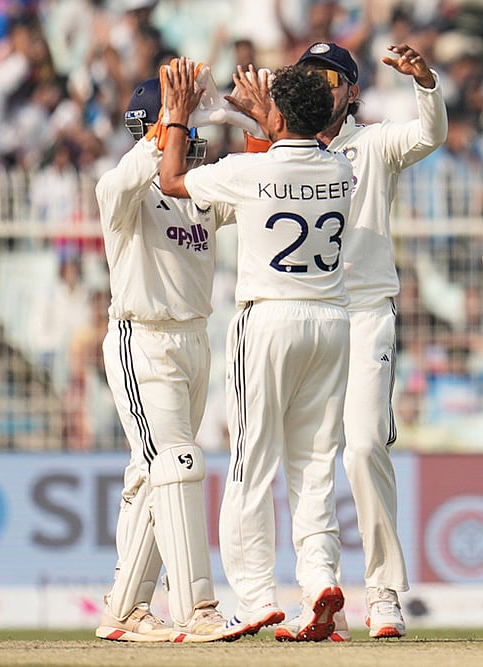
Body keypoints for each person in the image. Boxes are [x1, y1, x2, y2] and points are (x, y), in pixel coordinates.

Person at [159, 58, 352, 642]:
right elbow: (293, 150)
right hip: (332, 321)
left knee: (251, 462)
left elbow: (171, 182)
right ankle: (319, 581)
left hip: (269, 319)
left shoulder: (249, 171)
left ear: (278, 115)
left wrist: (175, 117)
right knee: (315, 467)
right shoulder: (343, 168)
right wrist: (267, 113)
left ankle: (256, 598)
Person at [286, 41, 448, 640]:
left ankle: (383, 591)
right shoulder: (289, 151)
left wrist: (424, 82)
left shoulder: (375, 143)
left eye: (331, 79)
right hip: (305, 314)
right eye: (312, 77)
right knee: (311, 457)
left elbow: (429, 135)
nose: (321, 87)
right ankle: (318, 590)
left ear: (351, 91)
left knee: (361, 449)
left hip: (365, 313)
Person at [93, 73, 235, 643]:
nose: (192, 139)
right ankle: (198, 608)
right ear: (154, 128)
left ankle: (124, 611)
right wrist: (170, 121)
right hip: (142, 339)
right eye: (183, 127)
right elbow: (122, 182)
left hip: (195, 341)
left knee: (155, 476)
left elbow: (256, 182)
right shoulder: (124, 187)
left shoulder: (193, 187)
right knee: (177, 462)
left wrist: (240, 117)